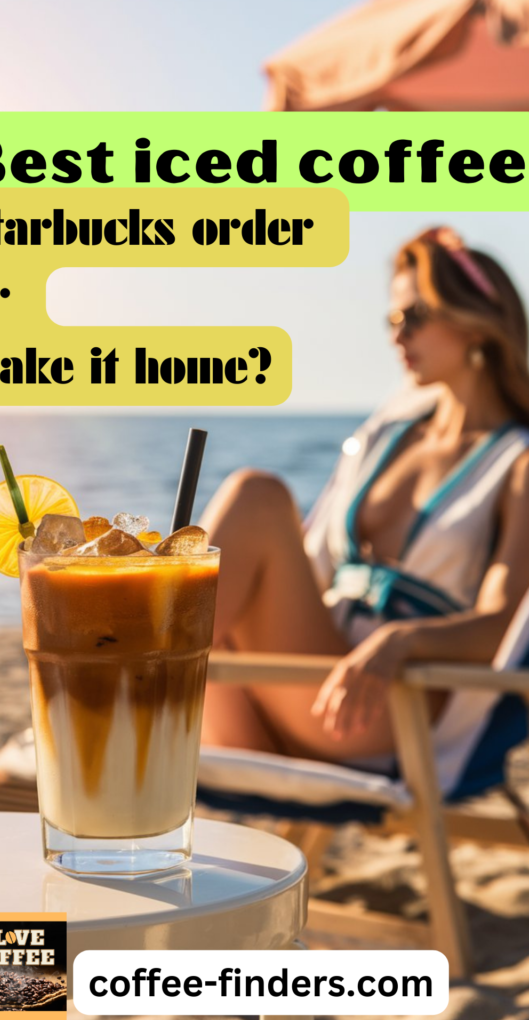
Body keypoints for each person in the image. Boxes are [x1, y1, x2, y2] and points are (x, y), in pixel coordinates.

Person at [200, 227, 529, 776]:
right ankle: (135, 663)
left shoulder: (515, 462)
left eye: (415, 317)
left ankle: (124, 681)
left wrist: (400, 642)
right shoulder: (386, 436)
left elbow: (504, 627)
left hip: (388, 707)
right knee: (252, 504)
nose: (398, 336)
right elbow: (313, 566)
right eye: (392, 321)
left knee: (257, 497)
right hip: (314, 678)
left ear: (476, 321)